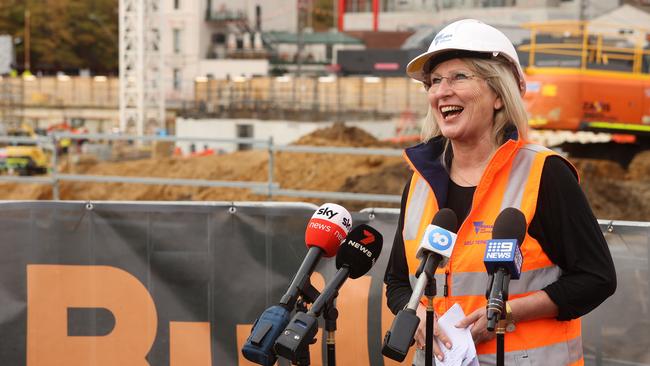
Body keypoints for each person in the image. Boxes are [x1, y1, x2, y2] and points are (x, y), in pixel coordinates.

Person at [384, 19, 616, 366]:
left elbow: (596, 278)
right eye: (434, 82)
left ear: (497, 94)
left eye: (459, 77)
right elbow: (398, 282)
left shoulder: (544, 174)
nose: (441, 91)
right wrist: (413, 315)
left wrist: (506, 312)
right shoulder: (419, 182)